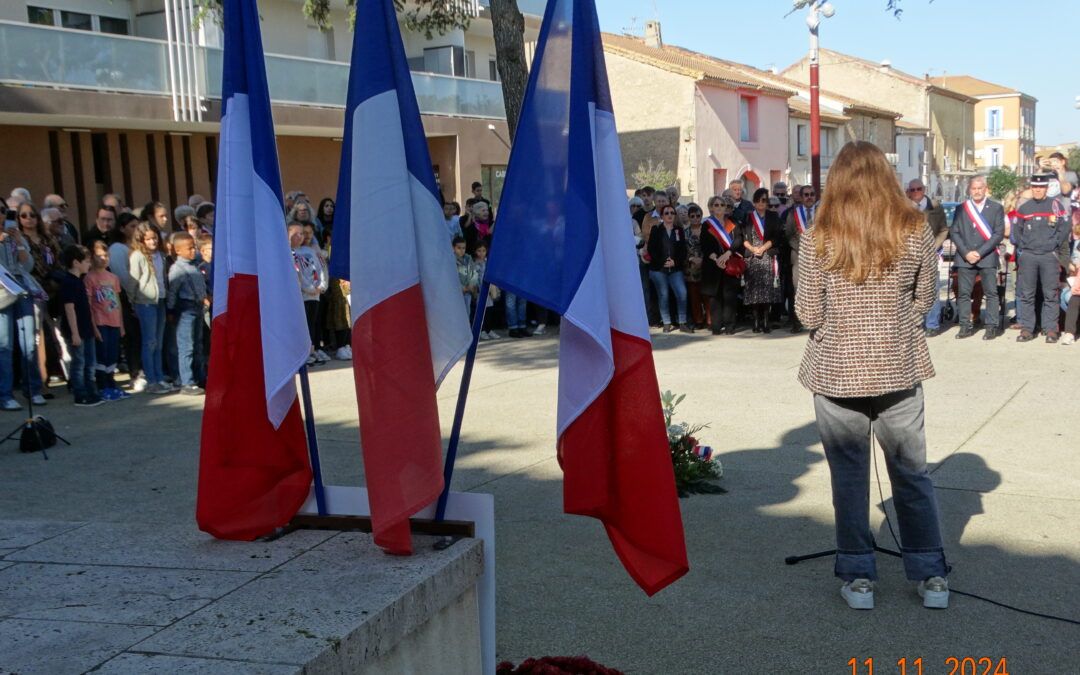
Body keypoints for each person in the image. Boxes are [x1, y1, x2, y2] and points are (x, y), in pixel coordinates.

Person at [795, 140, 949, 611]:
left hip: (838, 370)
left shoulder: (817, 236)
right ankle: (931, 578)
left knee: (849, 478)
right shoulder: (915, 229)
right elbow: (926, 300)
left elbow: (806, 312)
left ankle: (859, 577)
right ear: (887, 176)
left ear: (836, 181)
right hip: (898, 367)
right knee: (912, 474)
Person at [1013, 173, 1071, 342]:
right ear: (1031, 188)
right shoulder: (1024, 208)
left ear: (1046, 188)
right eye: (1035, 187)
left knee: (1050, 294)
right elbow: (1017, 231)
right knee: (1027, 294)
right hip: (1029, 255)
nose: (1038, 190)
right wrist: (1024, 245)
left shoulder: (1055, 205)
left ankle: (1051, 329)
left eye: (1041, 187)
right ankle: (1027, 329)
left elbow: (1064, 227)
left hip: (1049, 256)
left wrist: (1054, 244)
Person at [949, 176, 1005, 340]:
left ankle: (991, 326)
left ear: (985, 189)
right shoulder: (961, 208)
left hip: (986, 257)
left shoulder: (996, 208)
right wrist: (966, 252)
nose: (977, 191)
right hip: (965, 258)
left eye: (980, 188)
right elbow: (954, 232)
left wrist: (980, 252)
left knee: (991, 293)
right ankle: (965, 326)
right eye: (974, 188)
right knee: (964, 294)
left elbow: (998, 234)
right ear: (969, 190)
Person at [0, 217, 46, 410]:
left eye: (3, 211)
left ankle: (33, 390)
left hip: (22, 288)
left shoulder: (15, 236)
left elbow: (27, 266)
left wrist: (18, 242)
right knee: (5, 344)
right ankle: (5, 394)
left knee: (28, 342)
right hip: (2, 292)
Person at [126, 222, 170, 394]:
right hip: (145, 302)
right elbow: (132, 281)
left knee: (158, 342)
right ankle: (151, 380)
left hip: (161, 300)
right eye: (148, 239)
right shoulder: (137, 255)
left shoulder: (160, 255)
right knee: (149, 341)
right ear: (141, 240)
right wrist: (133, 301)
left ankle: (159, 376)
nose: (153, 242)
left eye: (154, 238)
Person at [58, 245, 103, 407]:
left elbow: (86, 308)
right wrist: (75, 333)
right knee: (79, 363)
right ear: (76, 262)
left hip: (87, 328)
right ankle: (80, 394)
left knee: (90, 362)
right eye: (86, 261)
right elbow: (69, 309)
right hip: (76, 331)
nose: (89, 264)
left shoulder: (80, 281)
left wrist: (94, 328)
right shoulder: (68, 282)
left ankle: (92, 390)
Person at [85, 240, 129, 400]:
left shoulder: (113, 277)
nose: (103, 259)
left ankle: (111, 383)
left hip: (114, 321)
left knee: (112, 354)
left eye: (106, 255)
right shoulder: (89, 278)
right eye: (99, 255)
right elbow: (89, 304)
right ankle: (102, 385)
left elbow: (117, 301)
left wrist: (122, 324)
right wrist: (94, 327)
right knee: (102, 354)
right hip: (100, 321)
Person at [905, 180, 950, 336]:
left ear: (924, 189)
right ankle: (913, 323)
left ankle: (932, 324)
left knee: (932, 289)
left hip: (931, 253)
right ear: (908, 191)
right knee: (909, 291)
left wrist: (934, 246)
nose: (916, 191)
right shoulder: (902, 208)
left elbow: (944, 229)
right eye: (913, 189)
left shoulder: (936, 207)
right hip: (909, 255)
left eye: (919, 188)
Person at [166, 232, 207, 395]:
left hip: (197, 307)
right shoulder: (177, 269)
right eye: (189, 248)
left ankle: (200, 376)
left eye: (194, 247)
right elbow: (172, 292)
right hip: (185, 309)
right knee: (186, 345)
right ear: (178, 250)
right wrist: (170, 310)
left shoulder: (195, 265)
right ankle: (186, 382)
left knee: (198, 344)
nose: (193, 251)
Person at [740, 188, 783, 333]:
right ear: (754, 202)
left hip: (767, 255)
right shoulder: (748, 217)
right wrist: (753, 249)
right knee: (753, 291)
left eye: (764, 200)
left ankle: (766, 322)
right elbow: (743, 238)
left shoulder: (773, 216)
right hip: (752, 256)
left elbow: (776, 237)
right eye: (758, 200)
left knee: (766, 291)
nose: (761, 203)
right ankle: (755, 322)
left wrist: (763, 248)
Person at [701, 195, 743, 335]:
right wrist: (717, 259)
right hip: (714, 265)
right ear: (711, 208)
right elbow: (705, 245)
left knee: (730, 296)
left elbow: (738, 240)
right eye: (716, 205)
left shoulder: (733, 223)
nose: (719, 207)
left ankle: (730, 326)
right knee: (715, 297)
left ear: (726, 208)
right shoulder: (707, 224)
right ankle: (716, 326)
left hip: (730, 263)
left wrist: (727, 254)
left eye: (722, 205)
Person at [647, 204, 692, 333]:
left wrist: (675, 262)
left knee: (682, 293)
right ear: (662, 216)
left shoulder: (679, 230)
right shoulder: (656, 229)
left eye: (672, 213)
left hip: (675, 268)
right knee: (663, 294)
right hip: (658, 268)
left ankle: (682, 322)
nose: (670, 215)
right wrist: (663, 262)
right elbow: (651, 249)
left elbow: (683, 250)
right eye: (666, 213)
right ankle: (666, 322)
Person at [289, 222, 329, 365]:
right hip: (302, 295)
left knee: (312, 324)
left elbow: (320, 268)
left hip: (315, 294)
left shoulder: (310, 251)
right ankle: (302, 354)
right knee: (302, 325)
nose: (301, 237)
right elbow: (297, 274)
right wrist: (307, 288)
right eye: (298, 234)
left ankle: (311, 351)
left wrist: (321, 286)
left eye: (303, 234)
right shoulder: (289, 253)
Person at [784, 185, 817, 333]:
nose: (809, 197)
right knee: (797, 289)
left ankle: (818, 323)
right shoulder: (793, 213)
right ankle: (796, 321)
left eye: (812, 194)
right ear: (801, 197)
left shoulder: (822, 213)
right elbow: (789, 235)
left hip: (819, 256)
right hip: (798, 256)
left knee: (819, 289)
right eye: (806, 195)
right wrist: (802, 248)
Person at [683, 204, 708, 329]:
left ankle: (710, 320)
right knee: (694, 296)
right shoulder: (684, 232)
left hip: (706, 266)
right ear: (688, 217)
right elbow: (681, 250)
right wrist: (692, 258)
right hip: (690, 268)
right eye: (692, 216)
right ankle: (698, 320)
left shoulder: (707, 230)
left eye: (698, 216)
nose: (695, 218)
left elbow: (711, 247)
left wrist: (703, 259)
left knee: (707, 295)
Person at [453, 236, 478, 317]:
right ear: (453, 248)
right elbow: (451, 278)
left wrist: (471, 284)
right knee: (457, 314)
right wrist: (462, 288)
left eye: (463, 248)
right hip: (456, 293)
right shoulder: (451, 260)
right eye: (459, 248)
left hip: (468, 292)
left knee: (467, 313)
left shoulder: (468, 258)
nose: (461, 250)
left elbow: (474, 273)